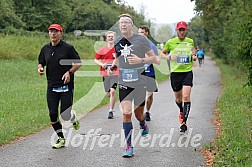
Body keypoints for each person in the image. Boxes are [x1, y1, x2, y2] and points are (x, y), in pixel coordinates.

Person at [108, 13, 156, 157]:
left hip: (140, 82)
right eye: (121, 22)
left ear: (132, 25)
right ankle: (129, 146)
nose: (123, 24)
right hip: (124, 82)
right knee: (126, 113)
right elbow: (117, 58)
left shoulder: (141, 40)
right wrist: (112, 66)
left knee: (138, 114)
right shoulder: (117, 42)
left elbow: (153, 57)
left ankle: (142, 123)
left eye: (126, 22)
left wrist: (140, 60)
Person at [38, 24, 82, 149]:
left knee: (65, 115)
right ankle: (61, 138)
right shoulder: (45, 49)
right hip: (51, 85)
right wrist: (40, 68)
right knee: (52, 114)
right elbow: (41, 62)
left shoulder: (68, 48)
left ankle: (72, 116)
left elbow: (78, 63)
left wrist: (69, 72)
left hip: (66, 86)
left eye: (56, 32)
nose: (53, 34)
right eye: (51, 31)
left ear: (61, 33)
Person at [161, 21, 197, 132]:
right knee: (178, 98)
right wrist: (169, 57)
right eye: (180, 30)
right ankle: (181, 110)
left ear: (186, 30)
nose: (182, 32)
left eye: (183, 30)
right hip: (175, 73)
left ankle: (184, 122)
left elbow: (193, 52)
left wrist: (194, 56)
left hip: (187, 72)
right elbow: (162, 54)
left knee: (186, 96)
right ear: (176, 31)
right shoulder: (171, 42)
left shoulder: (190, 41)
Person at [94, 31, 119, 119]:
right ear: (106, 38)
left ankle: (110, 111)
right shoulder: (102, 50)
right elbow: (96, 60)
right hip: (105, 73)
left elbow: (118, 59)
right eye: (109, 36)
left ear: (114, 38)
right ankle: (113, 100)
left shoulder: (117, 49)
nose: (111, 38)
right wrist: (102, 65)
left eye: (112, 36)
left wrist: (113, 67)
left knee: (112, 91)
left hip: (115, 73)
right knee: (108, 93)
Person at [138, 25, 160, 121]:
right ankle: (141, 112)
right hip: (139, 73)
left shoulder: (152, 45)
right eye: (139, 33)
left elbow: (157, 60)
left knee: (149, 95)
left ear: (147, 33)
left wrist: (149, 58)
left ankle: (147, 111)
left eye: (142, 33)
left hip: (149, 72)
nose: (140, 35)